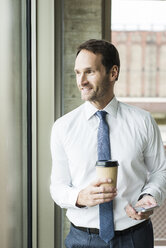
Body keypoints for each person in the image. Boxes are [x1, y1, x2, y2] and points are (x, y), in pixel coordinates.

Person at [50, 39, 166, 248]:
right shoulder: (63, 127)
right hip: (82, 240)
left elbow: (160, 171)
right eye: (77, 73)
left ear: (113, 73)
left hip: (135, 238)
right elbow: (57, 186)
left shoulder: (143, 121)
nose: (81, 81)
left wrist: (149, 196)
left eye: (89, 72)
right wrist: (79, 197)